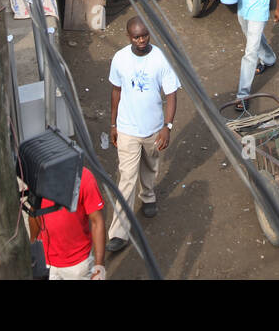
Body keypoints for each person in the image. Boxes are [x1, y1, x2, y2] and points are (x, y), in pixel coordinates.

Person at [106, 16, 180, 253]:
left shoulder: (160, 59)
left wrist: (167, 126)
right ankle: (119, 232)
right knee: (126, 178)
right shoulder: (120, 59)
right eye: (136, 36)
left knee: (150, 166)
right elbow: (116, 92)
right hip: (127, 129)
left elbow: (171, 95)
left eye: (144, 35)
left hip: (153, 129)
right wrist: (113, 124)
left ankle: (148, 196)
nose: (141, 40)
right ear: (129, 37)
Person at [29, 166, 106, 280]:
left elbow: (97, 222)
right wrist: (33, 246)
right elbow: (34, 213)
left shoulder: (84, 176)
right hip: (46, 262)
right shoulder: (38, 176)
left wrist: (99, 266)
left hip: (78, 266)